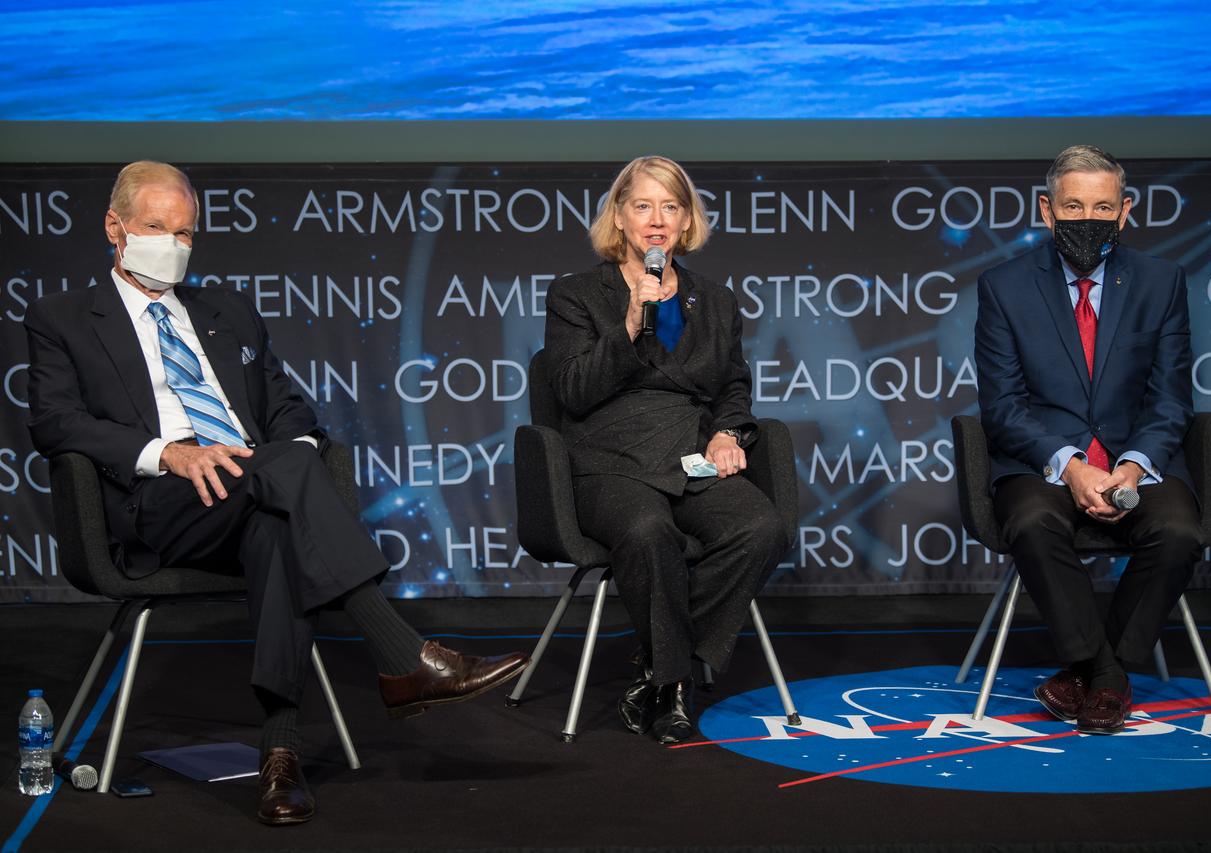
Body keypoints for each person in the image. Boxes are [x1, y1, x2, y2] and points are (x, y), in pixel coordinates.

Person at [23, 161, 529, 824]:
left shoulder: (226, 311)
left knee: (277, 522)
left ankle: (280, 758)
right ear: (114, 228)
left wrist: (287, 462)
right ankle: (405, 656)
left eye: (186, 233)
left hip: (254, 490)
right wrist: (168, 452)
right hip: (160, 500)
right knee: (284, 479)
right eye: (156, 228)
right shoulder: (62, 317)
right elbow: (55, 421)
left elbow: (288, 408)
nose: (173, 245)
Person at [542, 156, 788, 745]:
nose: (657, 221)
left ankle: (656, 667)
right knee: (648, 531)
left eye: (671, 207)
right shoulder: (577, 294)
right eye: (643, 206)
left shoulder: (716, 300)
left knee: (760, 528)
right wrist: (628, 326)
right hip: (609, 461)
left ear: (686, 222)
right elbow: (571, 391)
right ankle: (676, 686)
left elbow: (733, 386)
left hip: (688, 455)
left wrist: (728, 433)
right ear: (619, 218)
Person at [974, 145, 1200, 735]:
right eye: (1073, 206)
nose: (1088, 219)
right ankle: (1107, 675)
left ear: (1125, 211)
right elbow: (1002, 406)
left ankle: (1093, 675)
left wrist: (1133, 467)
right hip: (1043, 463)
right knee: (1031, 522)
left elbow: (1171, 398)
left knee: (1178, 531)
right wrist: (1072, 466)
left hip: (1135, 459)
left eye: (1103, 207)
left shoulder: (1161, 282)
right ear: (1047, 210)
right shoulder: (1004, 287)